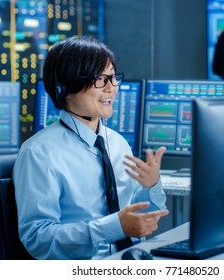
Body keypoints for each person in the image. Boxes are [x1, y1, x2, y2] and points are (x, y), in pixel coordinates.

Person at [13, 36, 169, 260]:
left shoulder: (117, 143)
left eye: (113, 78)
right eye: (100, 79)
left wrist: (151, 186)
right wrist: (113, 227)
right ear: (65, 88)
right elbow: (38, 238)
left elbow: (139, 219)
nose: (111, 88)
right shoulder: (39, 153)